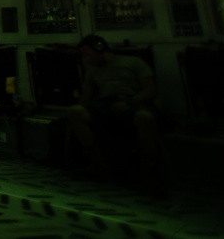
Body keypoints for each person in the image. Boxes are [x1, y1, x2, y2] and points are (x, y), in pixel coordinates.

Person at [66, 35, 162, 192]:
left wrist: (129, 102)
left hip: (133, 101)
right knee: (74, 112)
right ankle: (98, 164)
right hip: (105, 104)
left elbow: (150, 89)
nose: (86, 60)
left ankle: (150, 173)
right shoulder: (93, 71)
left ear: (100, 50)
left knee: (145, 118)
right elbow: (86, 97)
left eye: (88, 55)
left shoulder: (133, 63)